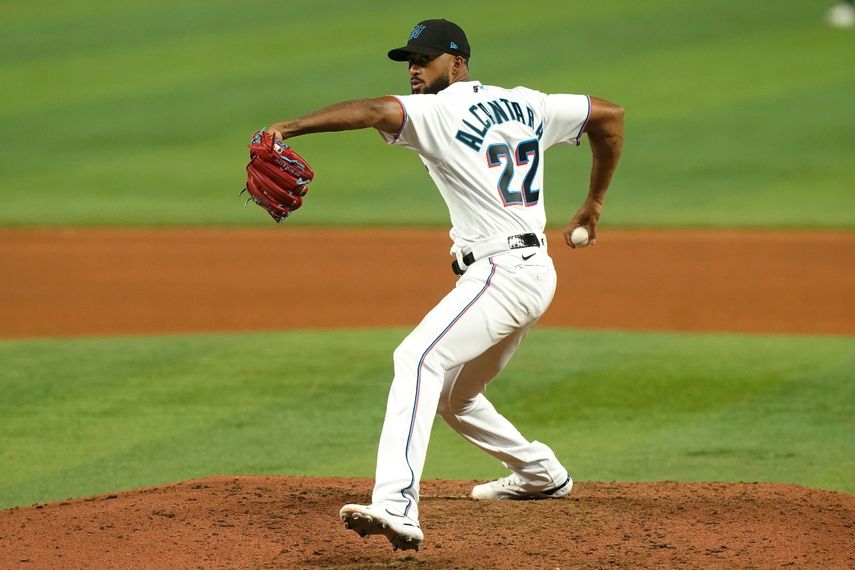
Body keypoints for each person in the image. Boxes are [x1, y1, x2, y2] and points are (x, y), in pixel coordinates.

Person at [268, 19, 624, 551]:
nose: (414, 69)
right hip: (532, 272)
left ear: (457, 64)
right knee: (456, 397)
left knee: (416, 359)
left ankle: (395, 504)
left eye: (425, 59)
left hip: (503, 275)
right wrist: (594, 202)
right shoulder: (529, 104)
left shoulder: (440, 109)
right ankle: (540, 473)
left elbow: (371, 112)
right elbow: (609, 116)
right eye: (409, 60)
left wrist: (286, 129)